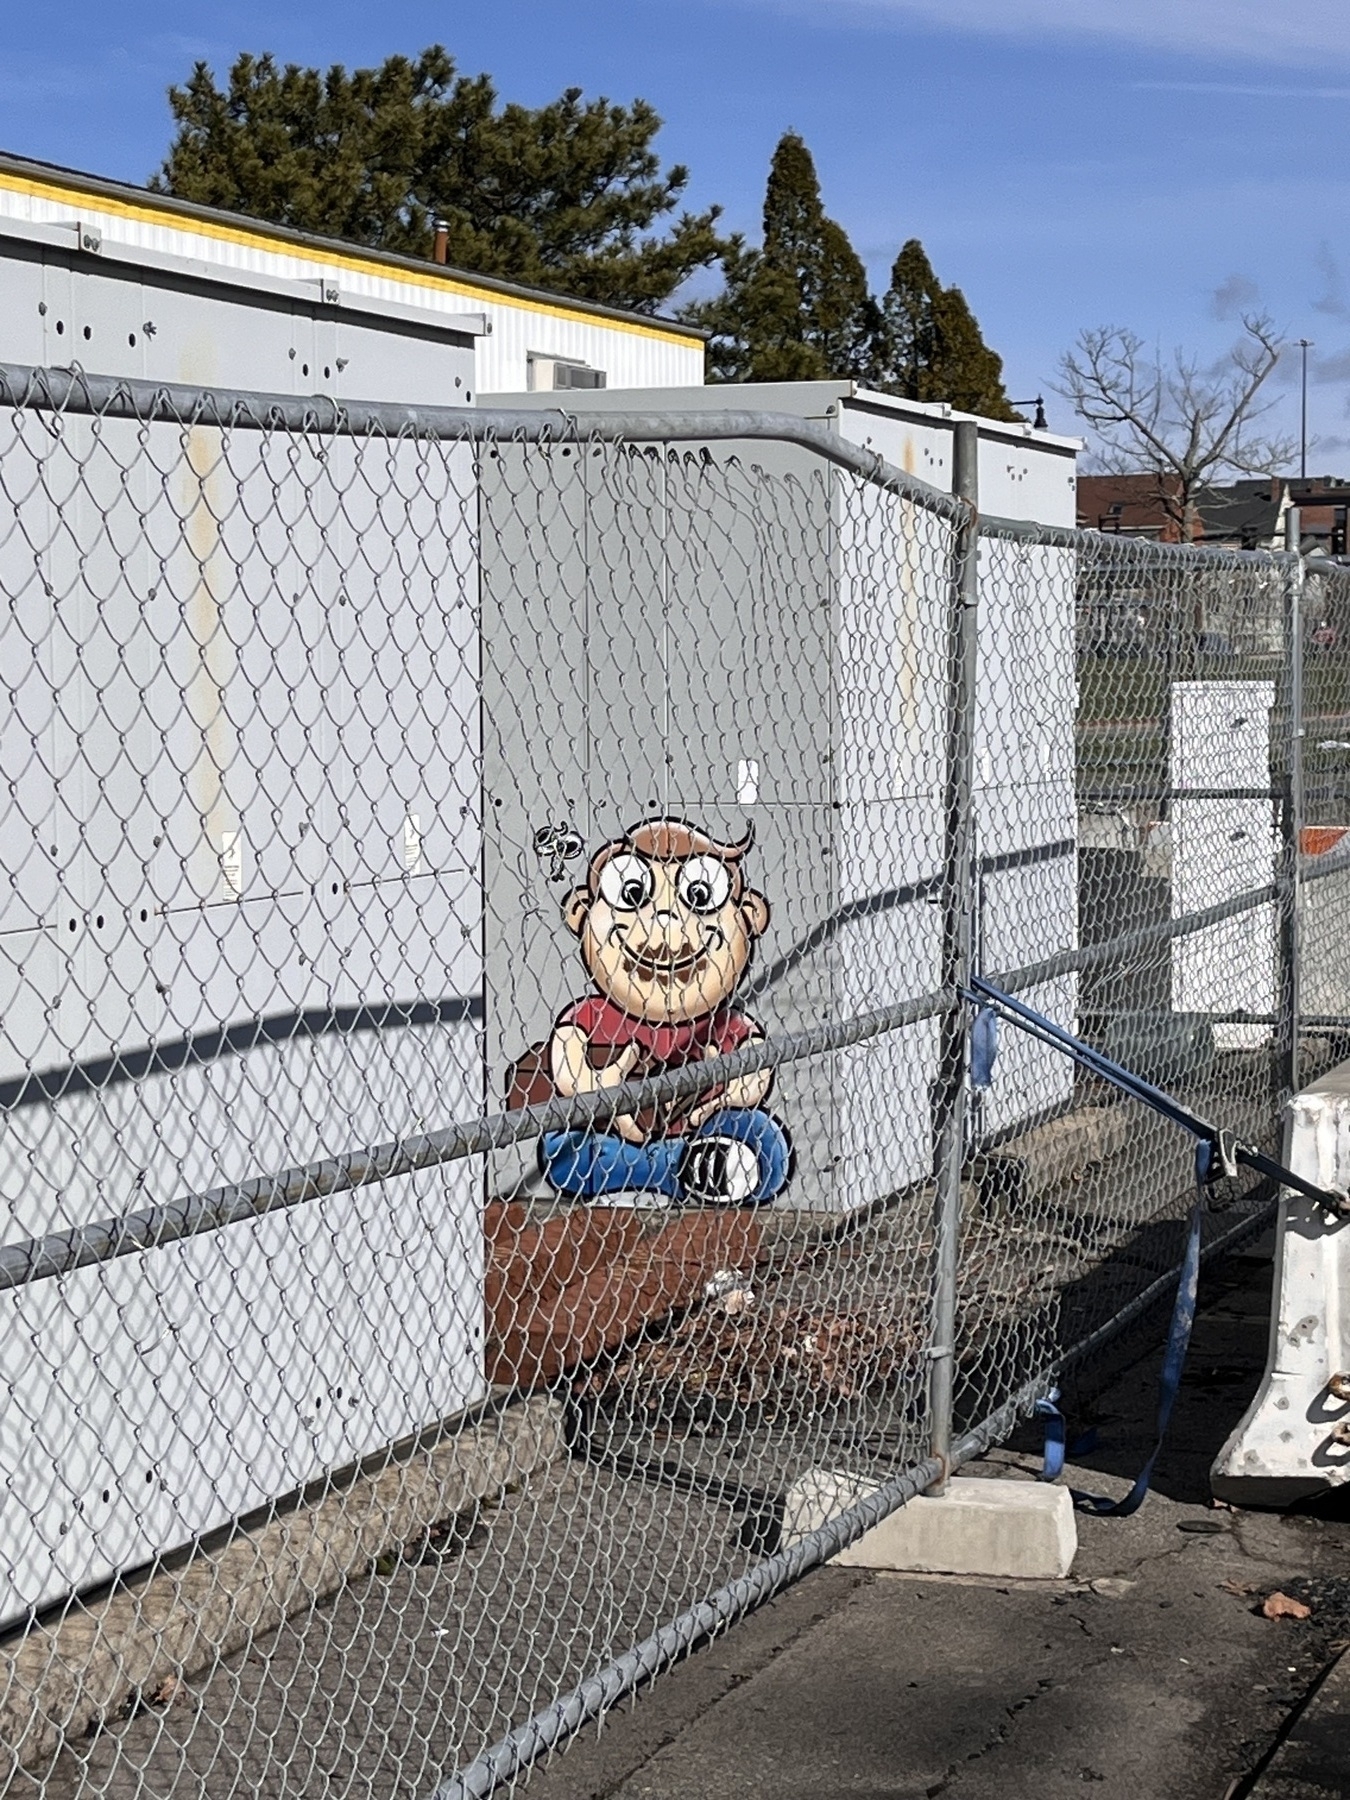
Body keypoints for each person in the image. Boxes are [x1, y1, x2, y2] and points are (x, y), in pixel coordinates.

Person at [515, 817, 791, 1207]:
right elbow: (567, 1055)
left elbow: (756, 1066)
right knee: (562, 1144)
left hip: (700, 1128)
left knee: (762, 1138)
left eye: (699, 895)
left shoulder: (720, 1023)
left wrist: (723, 1096)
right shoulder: (597, 1014)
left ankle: (649, 1169)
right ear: (581, 913)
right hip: (614, 1129)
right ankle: (677, 1170)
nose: (665, 921)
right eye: (631, 894)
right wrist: (600, 1092)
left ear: (749, 914)